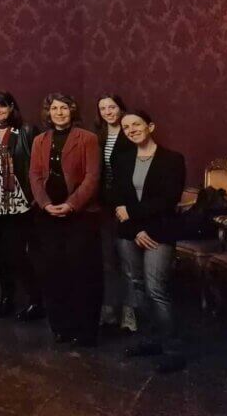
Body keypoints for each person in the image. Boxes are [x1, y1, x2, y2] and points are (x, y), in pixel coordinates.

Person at [114, 108, 187, 373]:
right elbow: (118, 200)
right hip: (130, 233)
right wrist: (136, 229)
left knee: (157, 290)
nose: (131, 130)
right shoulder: (122, 159)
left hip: (160, 232)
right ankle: (151, 340)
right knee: (137, 287)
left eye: (136, 124)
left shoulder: (172, 159)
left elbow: (168, 200)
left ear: (150, 127)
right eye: (126, 127)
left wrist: (135, 217)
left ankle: (173, 351)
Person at [29, 93, 103, 347]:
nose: (59, 113)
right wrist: (46, 204)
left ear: (72, 111)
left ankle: (84, 331)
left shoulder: (88, 138)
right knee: (53, 272)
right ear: (48, 113)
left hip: (80, 215)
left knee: (81, 273)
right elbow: (34, 176)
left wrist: (71, 204)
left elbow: (92, 177)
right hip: (48, 215)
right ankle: (61, 327)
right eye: (54, 109)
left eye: (64, 108)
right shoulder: (39, 140)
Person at [0, 91, 43, 321]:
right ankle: (7, 298)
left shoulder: (26, 131)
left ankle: (35, 300)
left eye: (2, 106)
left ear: (11, 108)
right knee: (0, 254)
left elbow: (36, 165)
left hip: (19, 200)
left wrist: (35, 195)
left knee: (18, 253)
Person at [95, 94, 137, 332]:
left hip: (126, 206)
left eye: (112, 107)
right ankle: (109, 309)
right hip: (103, 207)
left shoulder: (130, 132)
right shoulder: (98, 136)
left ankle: (130, 312)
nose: (108, 112)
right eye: (103, 108)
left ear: (121, 108)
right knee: (107, 262)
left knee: (128, 262)